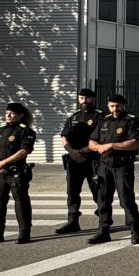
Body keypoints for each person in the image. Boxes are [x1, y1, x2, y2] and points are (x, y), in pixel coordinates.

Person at [87, 93, 139, 245]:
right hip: (104, 165)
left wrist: (112, 145)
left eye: (118, 105)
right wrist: (98, 147)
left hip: (122, 165)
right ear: (108, 106)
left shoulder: (131, 120)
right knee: (103, 199)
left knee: (126, 199)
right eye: (112, 106)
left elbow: (135, 143)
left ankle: (135, 230)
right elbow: (92, 141)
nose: (115, 108)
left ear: (123, 105)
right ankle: (103, 230)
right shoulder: (104, 121)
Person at [0, 102, 35, 245]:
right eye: (7, 113)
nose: (8, 115)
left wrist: (2, 163)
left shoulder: (26, 131)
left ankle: (24, 233)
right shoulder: (0, 130)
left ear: (21, 115)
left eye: (12, 113)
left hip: (15, 172)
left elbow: (24, 151)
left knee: (21, 201)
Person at [55, 88, 102, 235]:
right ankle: (72, 221)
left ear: (93, 99)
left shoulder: (100, 116)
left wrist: (81, 152)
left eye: (87, 98)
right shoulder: (74, 117)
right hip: (74, 160)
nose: (84, 101)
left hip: (93, 160)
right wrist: (73, 152)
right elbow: (64, 137)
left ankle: (104, 220)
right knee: (72, 192)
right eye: (81, 98)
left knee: (98, 191)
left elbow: (101, 139)